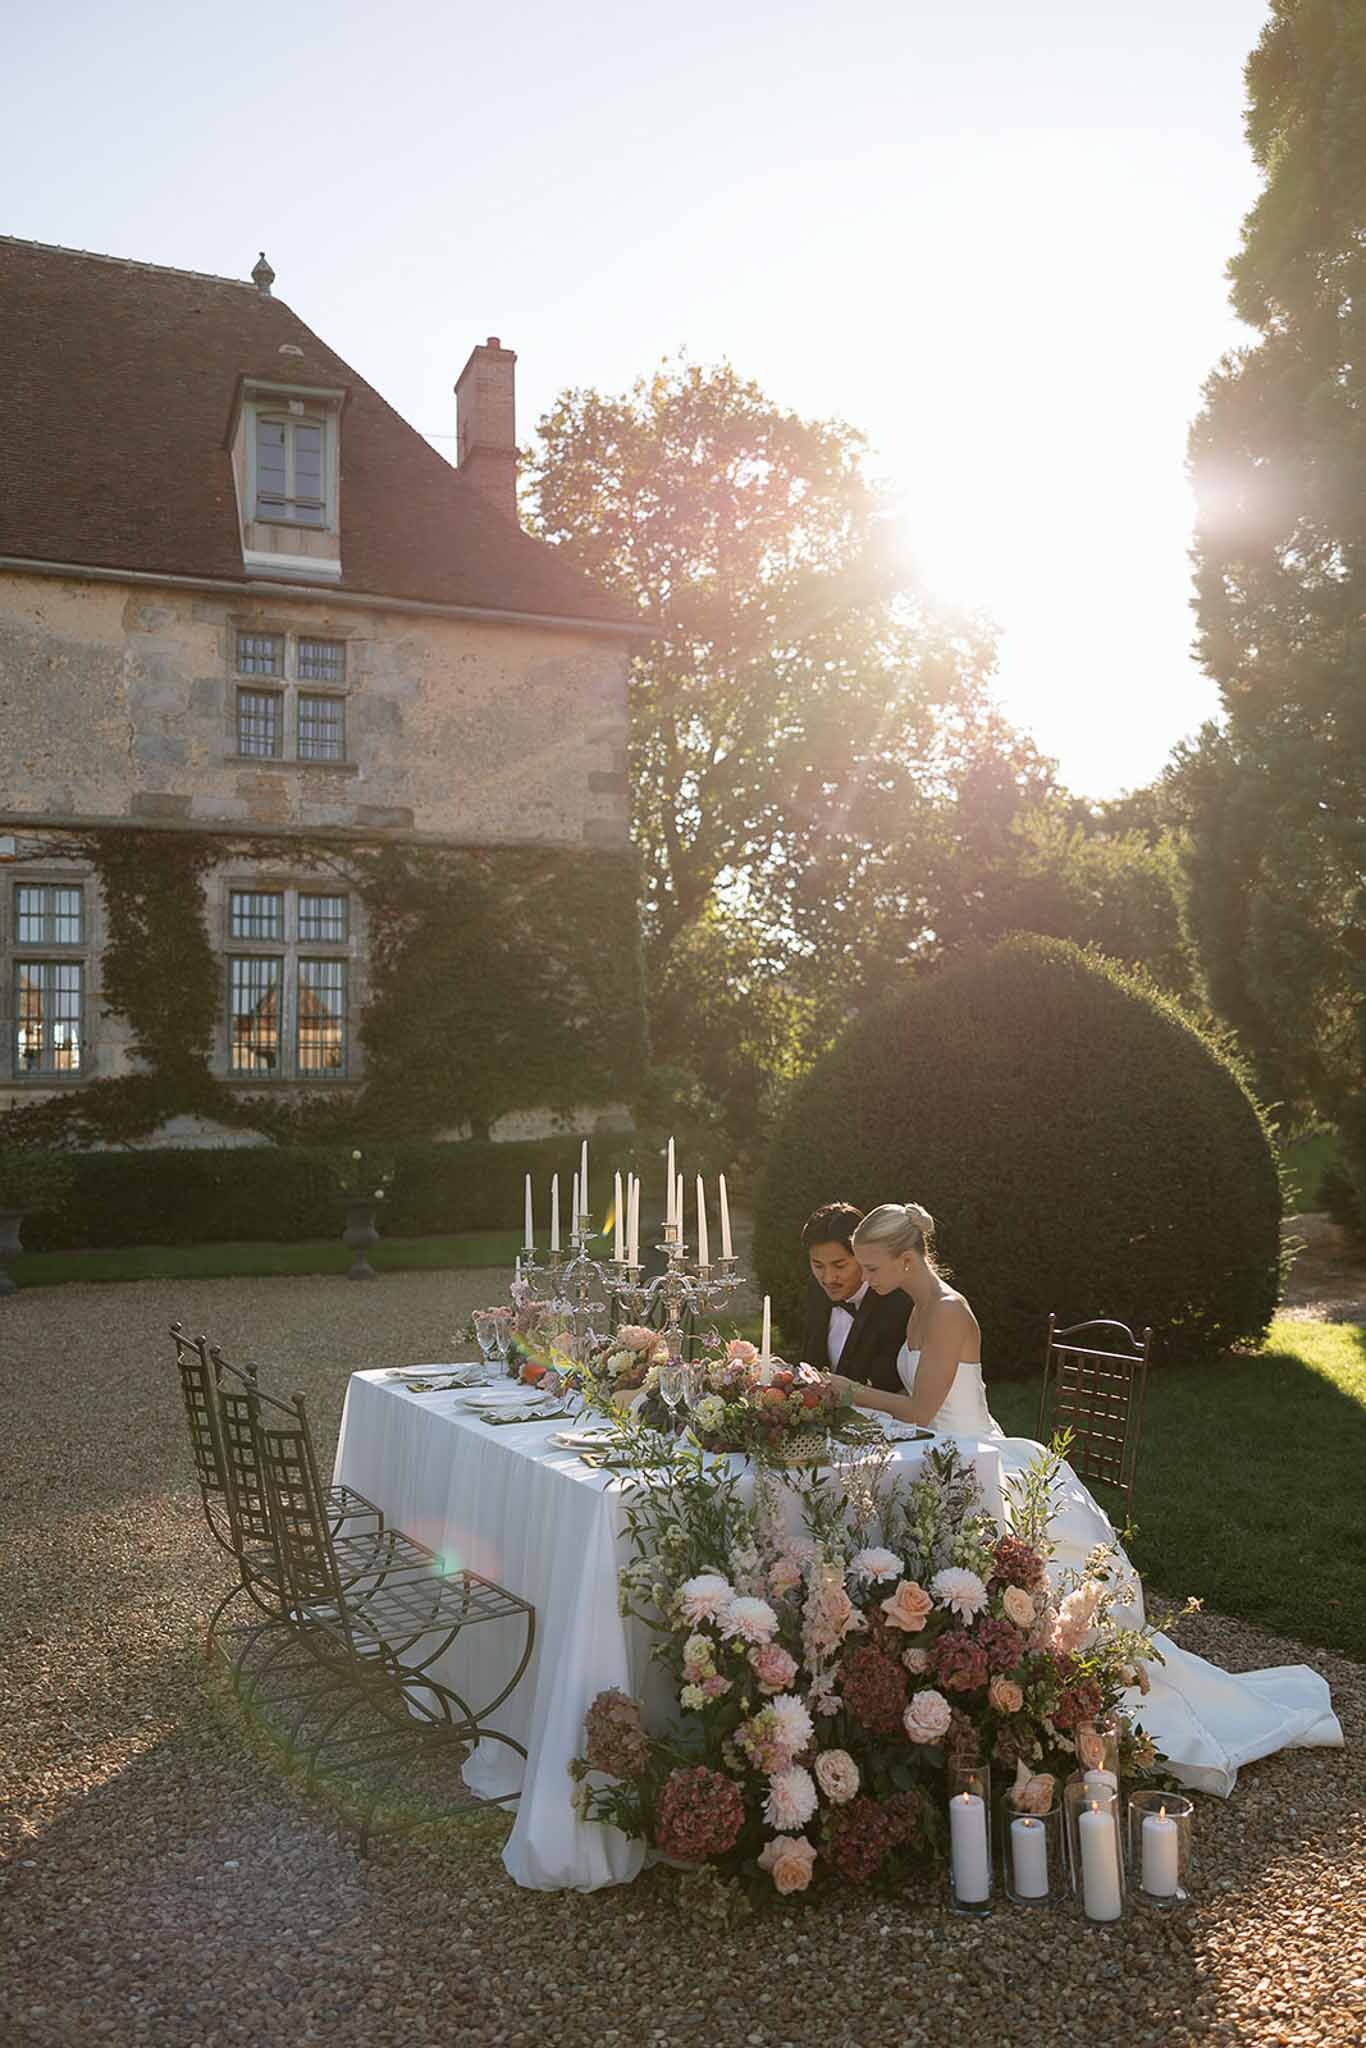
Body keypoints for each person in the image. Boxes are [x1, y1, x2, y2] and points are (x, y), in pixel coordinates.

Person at [829, 1200, 1343, 1796]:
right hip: (949, 1459)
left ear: (908, 1258)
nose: (864, 1280)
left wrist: (852, 1394)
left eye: (870, 1267)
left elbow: (921, 1410)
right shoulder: (917, 1308)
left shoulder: (945, 1312)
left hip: (981, 1463)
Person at [798, 1201, 909, 1394]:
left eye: (839, 1265)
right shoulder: (816, 1291)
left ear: (863, 1256)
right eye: (818, 1265)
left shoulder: (897, 1304)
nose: (828, 1278)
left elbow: (894, 1388)